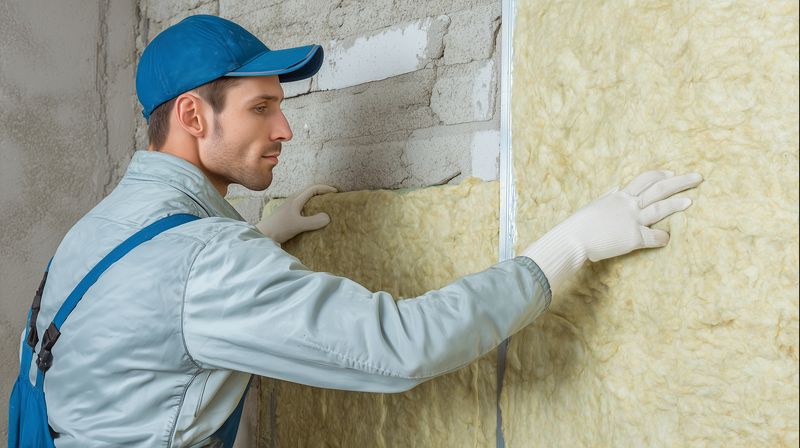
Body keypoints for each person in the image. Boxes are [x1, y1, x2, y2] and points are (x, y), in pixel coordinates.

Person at [14, 14, 703, 447]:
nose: (284, 130)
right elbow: (401, 347)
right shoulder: (206, 263)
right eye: (262, 108)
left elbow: (158, 304)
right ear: (195, 117)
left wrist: (260, 235)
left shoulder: (95, 232)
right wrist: (566, 246)